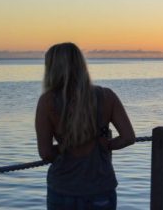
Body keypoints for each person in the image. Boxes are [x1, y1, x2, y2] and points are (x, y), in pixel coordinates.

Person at [35, 42, 136, 210]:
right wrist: (106, 145)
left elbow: (45, 153)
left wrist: (65, 147)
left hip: (63, 187)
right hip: (100, 186)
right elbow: (128, 137)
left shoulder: (47, 102)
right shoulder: (106, 96)